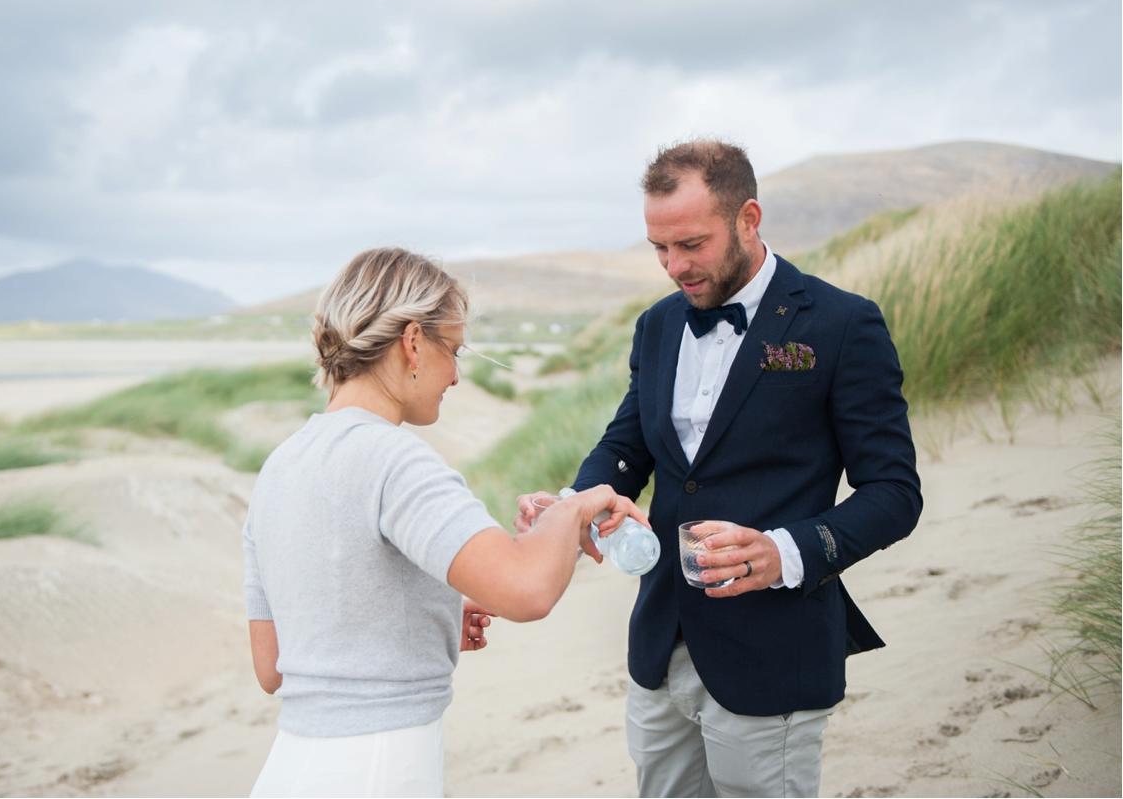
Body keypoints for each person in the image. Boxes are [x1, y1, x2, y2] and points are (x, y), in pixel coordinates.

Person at [518, 140, 923, 797]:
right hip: (661, 640)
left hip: (773, 649)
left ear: (748, 218)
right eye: (659, 247)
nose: (674, 265)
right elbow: (627, 445)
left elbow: (894, 494)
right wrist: (574, 504)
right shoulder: (656, 326)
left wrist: (783, 550)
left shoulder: (843, 325)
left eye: (692, 244)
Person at [241, 246, 649, 797]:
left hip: (290, 767)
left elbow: (274, 666)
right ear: (412, 341)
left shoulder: (280, 466)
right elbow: (527, 592)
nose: (456, 375)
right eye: (454, 350)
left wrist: (422, 616)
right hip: (381, 766)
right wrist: (577, 506)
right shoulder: (394, 459)